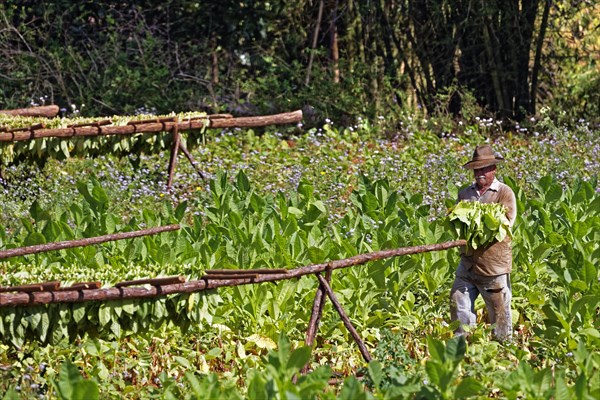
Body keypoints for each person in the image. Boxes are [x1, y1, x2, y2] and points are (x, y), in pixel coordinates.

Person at [450, 144, 517, 341]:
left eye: (483, 169)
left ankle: (504, 349)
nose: (479, 173)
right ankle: (460, 346)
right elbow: (458, 221)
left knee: (499, 312)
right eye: (476, 169)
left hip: (493, 266)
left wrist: (478, 220)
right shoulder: (465, 194)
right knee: (457, 302)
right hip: (468, 263)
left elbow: (506, 223)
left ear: (493, 169)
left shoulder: (504, 193)